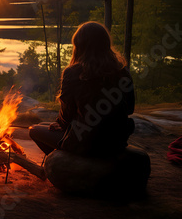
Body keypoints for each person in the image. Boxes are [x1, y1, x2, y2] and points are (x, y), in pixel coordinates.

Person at [30, 21, 135, 158]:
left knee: (35, 130)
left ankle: (67, 164)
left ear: (80, 46)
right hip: (116, 141)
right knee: (46, 125)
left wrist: (62, 123)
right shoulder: (122, 71)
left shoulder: (73, 73)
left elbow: (67, 114)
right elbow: (130, 109)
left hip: (86, 142)